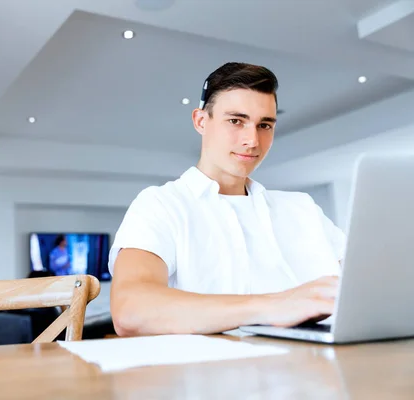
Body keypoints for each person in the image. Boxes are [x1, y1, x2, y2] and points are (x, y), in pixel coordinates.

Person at [109, 62, 345, 337]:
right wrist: (272, 306)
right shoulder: (161, 204)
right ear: (200, 121)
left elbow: (368, 287)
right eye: (236, 121)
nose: (252, 140)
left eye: (265, 125)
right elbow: (131, 310)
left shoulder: (302, 207)